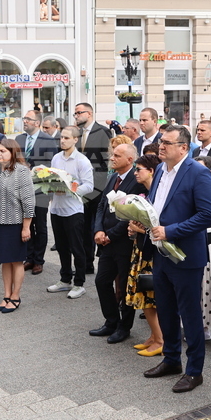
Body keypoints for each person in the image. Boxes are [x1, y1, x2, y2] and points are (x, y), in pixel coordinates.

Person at [133, 125, 211, 393]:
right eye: (161, 141)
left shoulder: (199, 173)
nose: (161, 146)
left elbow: (207, 215)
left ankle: (195, 371)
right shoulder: (159, 169)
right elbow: (157, 207)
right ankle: (171, 359)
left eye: (167, 143)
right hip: (161, 252)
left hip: (185, 255)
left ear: (184, 147)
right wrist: (142, 220)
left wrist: (171, 230)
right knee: (166, 309)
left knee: (189, 314)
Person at [90, 143, 143, 342]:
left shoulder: (135, 181)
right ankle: (110, 321)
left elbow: (133, 215)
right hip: (106, 241)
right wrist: (98, 230)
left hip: (123, 242)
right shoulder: (113, 177)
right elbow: (102, 205)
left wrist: (110, 234)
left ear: (130, 159)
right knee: (102, 281)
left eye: (117, 155)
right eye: (112, 155)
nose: (112, 158)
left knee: (125, 284)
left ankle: (124, 326)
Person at [0, 139, 35, 313]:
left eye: (3, 151)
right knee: (5, 260)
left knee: (16, 260)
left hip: (15, 223)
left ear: (13, 153)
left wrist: (26, 227)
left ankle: (16, 296)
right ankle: (6, 295)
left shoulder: (21, 171)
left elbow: (28, 201)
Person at [47, 126, 94, 298]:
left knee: (76, 247)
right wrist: (49, 187)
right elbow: (51, 178)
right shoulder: (56, 158)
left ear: (76, 139)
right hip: (57, 208)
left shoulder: (82, 161)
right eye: (61, 138)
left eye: (66, 138)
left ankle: (79, 283)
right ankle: (65, 279)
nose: (62, 140)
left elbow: (89, 186)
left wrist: (68, 190)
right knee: (61, 246)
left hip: (74, 210)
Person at [126, 154, 165, 355]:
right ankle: (153, 336)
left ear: (151, 171)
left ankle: (160, 340)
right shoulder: (145, 194)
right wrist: (132, 226)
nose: (135, 172)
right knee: (143, 296)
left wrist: (140, 228)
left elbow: (158, 227)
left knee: (150, 297)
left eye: (139, 168)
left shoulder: (158, 194)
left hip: (152, 252)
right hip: (141, 249)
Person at [16, 111, 58, 275]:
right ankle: (29, 256)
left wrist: (34, 170)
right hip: (21, 189)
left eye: (28, 119)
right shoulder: (19, 139)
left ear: (37, 123)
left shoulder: (48, 140)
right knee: (26, 224)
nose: (24, 121)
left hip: (40, 189)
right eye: (24, 118)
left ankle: (38, 260)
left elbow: (51, 165)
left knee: (39, 225)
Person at [74, 102, 113, 276]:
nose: (76, 116)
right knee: (81, 227)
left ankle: (97, 262)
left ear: (89, 114)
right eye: (75, 113)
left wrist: (95, 185)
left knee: (93, 225)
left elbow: (105, 161)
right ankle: (86, 264)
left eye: (78, 113)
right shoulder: (77, 133)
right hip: (79, 187)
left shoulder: (103, 131)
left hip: (97, 187)